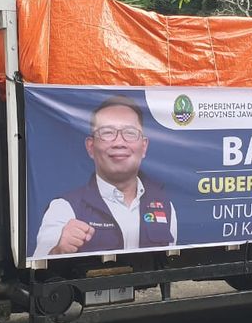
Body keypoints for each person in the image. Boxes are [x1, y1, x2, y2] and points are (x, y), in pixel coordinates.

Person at [34, 95, 177, 257]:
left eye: (130, 133)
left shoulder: (165, 206)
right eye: (107, 132)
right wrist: (58, 249)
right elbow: (38, 270)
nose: (119, 143)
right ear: (90, 146)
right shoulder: (64, 208)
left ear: (144, 147)